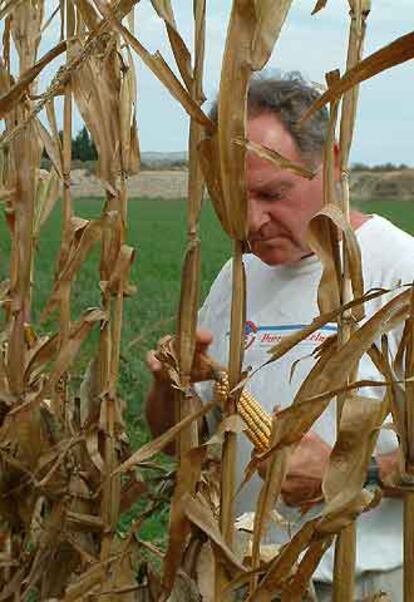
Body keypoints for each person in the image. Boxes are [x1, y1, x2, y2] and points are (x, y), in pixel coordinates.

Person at [146, 73, 414, 600]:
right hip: (240, 571)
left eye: (273, 193)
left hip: (360, 583)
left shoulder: (400, 272)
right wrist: (171, 387)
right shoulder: (237, 277)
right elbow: (178, 439)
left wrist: (351, 476)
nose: (251, 221)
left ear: (331, 162)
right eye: (234, 196)